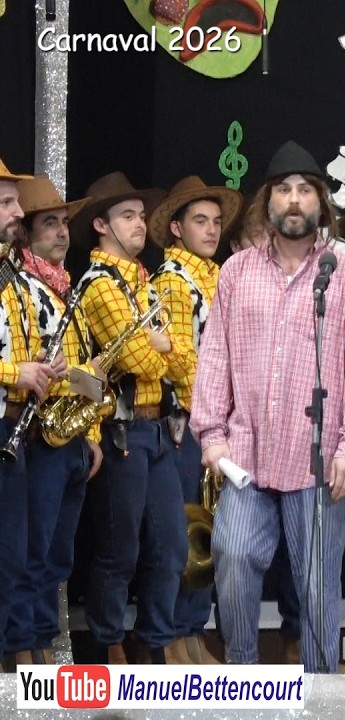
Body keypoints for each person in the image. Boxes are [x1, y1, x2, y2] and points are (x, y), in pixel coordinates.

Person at [190, 141, 345, 672]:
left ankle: (322, 691)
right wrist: (212, 437)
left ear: (321, 203)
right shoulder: (236, 273)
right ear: (266, 203)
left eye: (304, 190)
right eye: (283, 190)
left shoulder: (343, 276)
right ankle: (243, 676)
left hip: (318, 459)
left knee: (318, 583)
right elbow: (215, 358)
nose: (293, 200)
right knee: (231, 554)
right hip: (246, 453)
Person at [73, 171, 190, 664]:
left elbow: (186, 361)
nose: (140, 224)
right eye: (127, 216)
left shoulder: (144, 283)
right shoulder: (99, 285)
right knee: (120, 549)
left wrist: (159, 348)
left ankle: (154, 641)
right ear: (101, 224)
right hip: (121, 430)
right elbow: (143, 362)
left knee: (171, 547)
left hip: (159, 428)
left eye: (141, 216)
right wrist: (159, 347)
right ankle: (108, 641)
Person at [5, 177, 101, 666]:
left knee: (59, 554)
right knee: (31, 550)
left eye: (65, 224)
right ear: (26, 234)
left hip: (74, 435)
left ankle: (42, 641)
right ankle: (28, 648)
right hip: (38, 434)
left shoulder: (70, 291)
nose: (62, 233)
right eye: (50, 224)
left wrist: (95, 432)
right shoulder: (16, 285)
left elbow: (86, 368)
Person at [148, 175, 242, 664]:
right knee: (183, 531)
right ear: (178, 229)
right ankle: (169, 639)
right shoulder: (171, 278)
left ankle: (191, 632)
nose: (211, 229)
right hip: (187, 422)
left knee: (213, 531)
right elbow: (183, 360)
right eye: (200, 221)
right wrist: (211, 416)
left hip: (221, 423)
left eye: (216, 221)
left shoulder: (221, 274)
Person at [0, 160, 63, 668]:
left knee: (14, 558)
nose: (17, 213)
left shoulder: (9, 274)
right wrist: (13, 374)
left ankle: (14, 661)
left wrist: (39, 369)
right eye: (6, 203)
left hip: (10, 428)